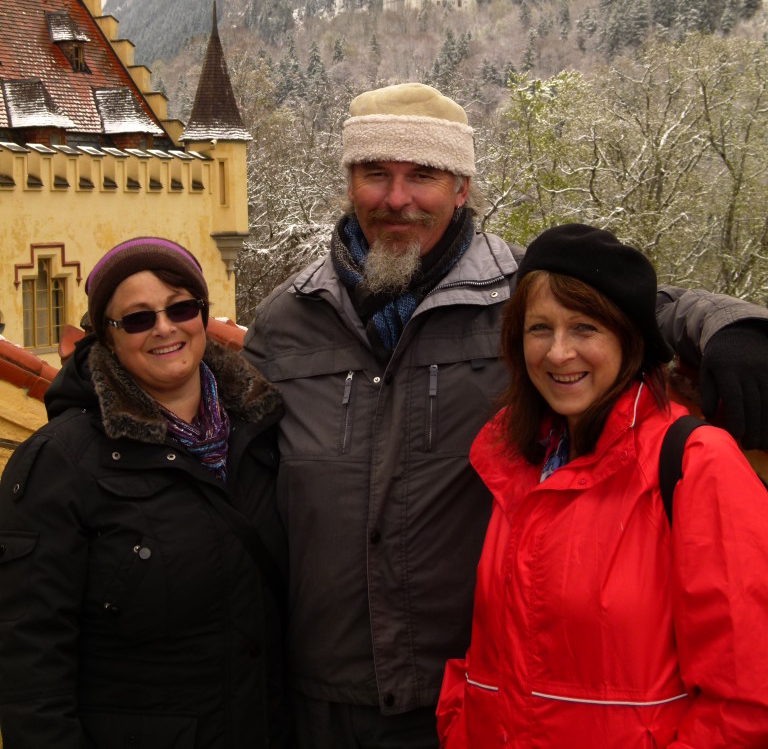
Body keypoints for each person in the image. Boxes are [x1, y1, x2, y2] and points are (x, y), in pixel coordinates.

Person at [241, 82, 768, 749]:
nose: (397, 198)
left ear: (461, 187)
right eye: (376, 173)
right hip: (326, 705)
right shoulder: (287, 323)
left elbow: (641, 307)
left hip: (468, 699)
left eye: (423, 175)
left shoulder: (522, 297)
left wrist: (733, 326)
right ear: (350, 183)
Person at [436, 224, 768, 746]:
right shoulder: (515, 463)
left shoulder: (694, 464)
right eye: (539, 328)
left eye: (585, 328)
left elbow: (748, 700)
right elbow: (487, 650)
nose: (558, 353)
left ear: (628, 339)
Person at [0, 237, 289, 749]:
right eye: (137, 318)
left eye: (181, 308)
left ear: (203, 315)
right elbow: (29, 664)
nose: (164, 327)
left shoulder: (261, 430)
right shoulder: (62, 462)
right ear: (107, 337)